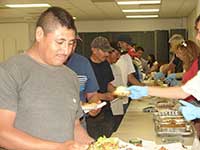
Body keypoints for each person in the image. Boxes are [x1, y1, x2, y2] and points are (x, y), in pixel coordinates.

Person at [0, 7, 93, 150]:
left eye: (70, 43)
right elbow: (3, 133)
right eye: (60, 42)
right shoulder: (10, 71)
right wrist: (58, 147)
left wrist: (96, 146)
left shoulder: (70, 77)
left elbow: (74, 126)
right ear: (39, 34)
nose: (66, 51)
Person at [87, 36, 116, 140]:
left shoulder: (105, 65)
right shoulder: (85, 66)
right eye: (104, 51)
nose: (107, 54)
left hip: (107, 111)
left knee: (109, 141)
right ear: (94, 50)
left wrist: (117, 91)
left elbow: (107, 84)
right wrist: (103, 96)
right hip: (92, 114)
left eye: (108, 51)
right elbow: (84, 92)